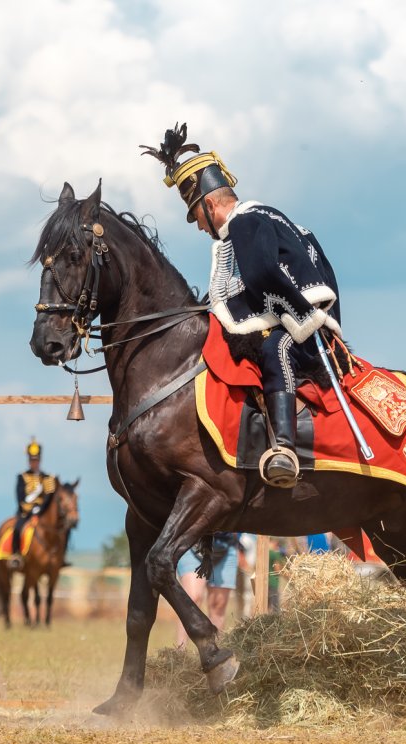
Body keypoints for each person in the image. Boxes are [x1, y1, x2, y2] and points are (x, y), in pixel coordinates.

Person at [142, 123, 342, 489]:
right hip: (306, 316)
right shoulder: (268, 220)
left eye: (197, 216)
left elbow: (262, 272)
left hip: (304, 325)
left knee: (274, 347)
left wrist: (303, 317)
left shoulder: (247, 221)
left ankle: (284, 449)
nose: (199, 227)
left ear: (211, 203)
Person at [174, 533, 242, 647]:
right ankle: (180, 653)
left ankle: (216, 655)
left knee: (218, 604)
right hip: (193, 544)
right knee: (192, 598)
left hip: (226, 546)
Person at [11, 438, 57, 568]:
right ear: (29, 461)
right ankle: (16, 554)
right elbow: (20, 498)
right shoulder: (22, 476)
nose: (34, 463)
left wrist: (40, 509)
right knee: (17, 528)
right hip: (26, 513)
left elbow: (49, 496)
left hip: (42, 512)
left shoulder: (48, 478)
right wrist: (30, 510)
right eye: (32, 460)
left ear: (40, 460)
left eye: (36, 460)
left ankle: (60, 556)